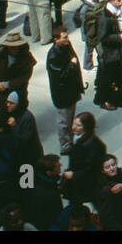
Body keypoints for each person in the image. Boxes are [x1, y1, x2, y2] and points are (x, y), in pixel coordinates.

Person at [45, 24, 84, 155]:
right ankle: (65, 145)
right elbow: (60, 76)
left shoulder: (66, 46)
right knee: (64, 121)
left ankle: (69, 141)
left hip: (71, 91)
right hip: (62, 94)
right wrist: (72, 65)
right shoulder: (53, 55)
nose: (68, 39)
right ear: (56, 39)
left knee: (70, 118)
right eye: (65, 37)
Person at [62, 111, 105, 204]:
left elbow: (92, 170)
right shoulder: (77, 136)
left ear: (87, 127)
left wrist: (73, 175)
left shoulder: (95, 146)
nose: (73, 127)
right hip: (75, 176)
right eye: (74, 123)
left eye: (78, 125)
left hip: (84, 182)